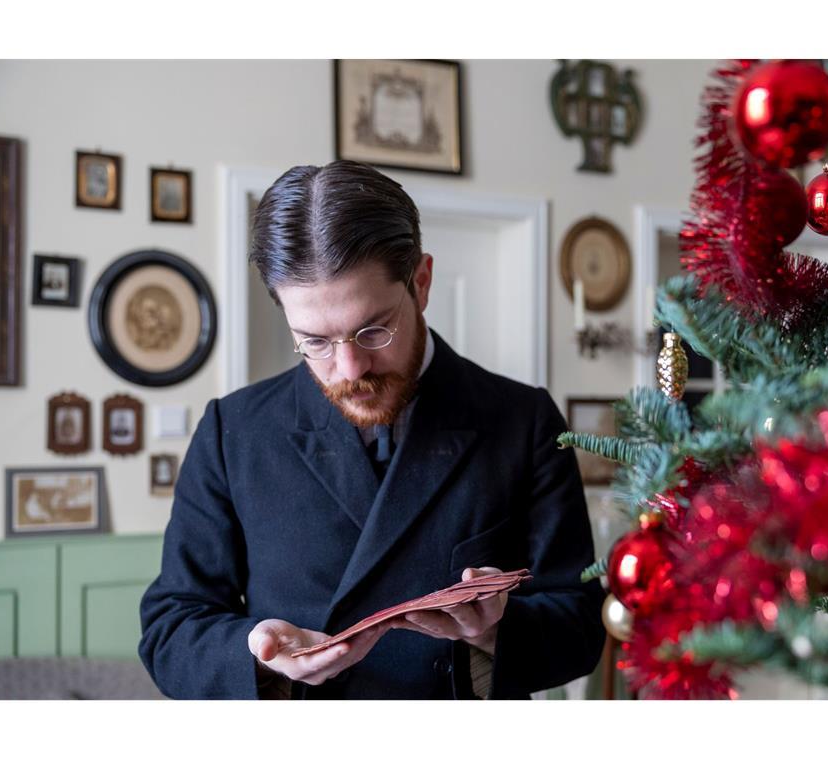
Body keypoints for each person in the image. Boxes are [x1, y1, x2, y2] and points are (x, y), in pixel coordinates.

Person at [139, 160, 606, 699]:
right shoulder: (233, 431)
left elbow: (580, 625)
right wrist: (258, 654)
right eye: (315, 341)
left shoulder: (525, 420)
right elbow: (171, 629)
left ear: (421, 283)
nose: (349, 368)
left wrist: (493, 629)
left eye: (373, 330)